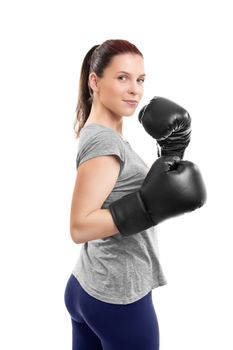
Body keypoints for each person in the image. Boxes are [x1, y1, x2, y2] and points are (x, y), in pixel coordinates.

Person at [64, 39, 206, 350]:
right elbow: (80, 226)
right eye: (122, 77)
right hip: (118, 297)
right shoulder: (105, 145)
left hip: (89, 283)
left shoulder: (102, 133)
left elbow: (119, 191)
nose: (135, 90)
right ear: (95, 81)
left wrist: (172, 152)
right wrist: (145, 207)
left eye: (140, 79)